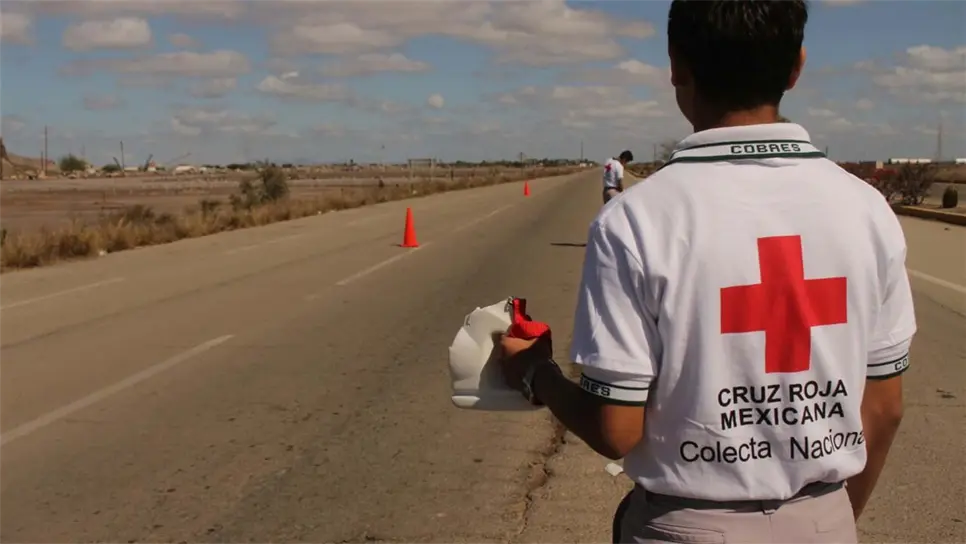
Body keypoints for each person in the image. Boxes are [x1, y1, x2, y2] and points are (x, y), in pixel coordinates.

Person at [498, 1, 915, 543]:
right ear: (797, 66)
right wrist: (826, 521)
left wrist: (536, 374)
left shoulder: (634, 220)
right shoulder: (867, 209)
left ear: (677, 65)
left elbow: (616, 428)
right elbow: (883, 407)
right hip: (825, 522)